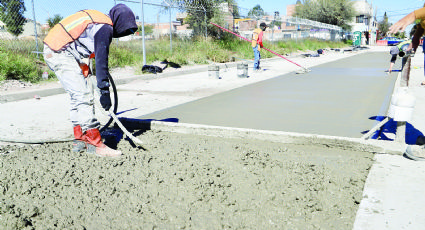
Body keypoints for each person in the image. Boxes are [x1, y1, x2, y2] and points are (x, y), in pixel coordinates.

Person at [43, 4, 138, 157]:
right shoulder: (105, 27)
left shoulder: (98, 20)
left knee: (77, 95)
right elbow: (102, 62)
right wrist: (104, 90)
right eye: (126, 30)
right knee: (84, 96)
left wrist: (81, 63)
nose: (123, 34)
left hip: (58, 49)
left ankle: (80, 140)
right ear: (120, 22)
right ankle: (95, 143)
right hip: (59, 51)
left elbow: (77, 40)